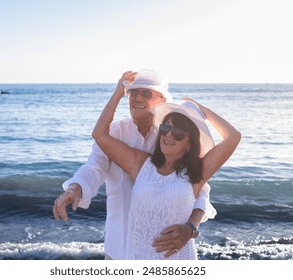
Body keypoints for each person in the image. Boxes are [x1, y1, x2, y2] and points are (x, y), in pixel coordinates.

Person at [53, 70, 217, 259]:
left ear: (162, 100)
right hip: (118, 248)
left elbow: (199, 187)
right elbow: (94, 166)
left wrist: (190, 227)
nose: (137, 98)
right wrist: (74, 189)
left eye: (146, 93)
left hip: (166, 249)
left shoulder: (172, 136)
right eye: (132, 92)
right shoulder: (114, 132)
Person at [91, 74, 241, 259]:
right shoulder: (140, 164)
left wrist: (204, 111)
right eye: (165, 129)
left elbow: (233, 137)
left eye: (178, 133)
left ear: (189, 143)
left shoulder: (197, 172)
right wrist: (118, 94)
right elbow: (99, 134)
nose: (168, 136)